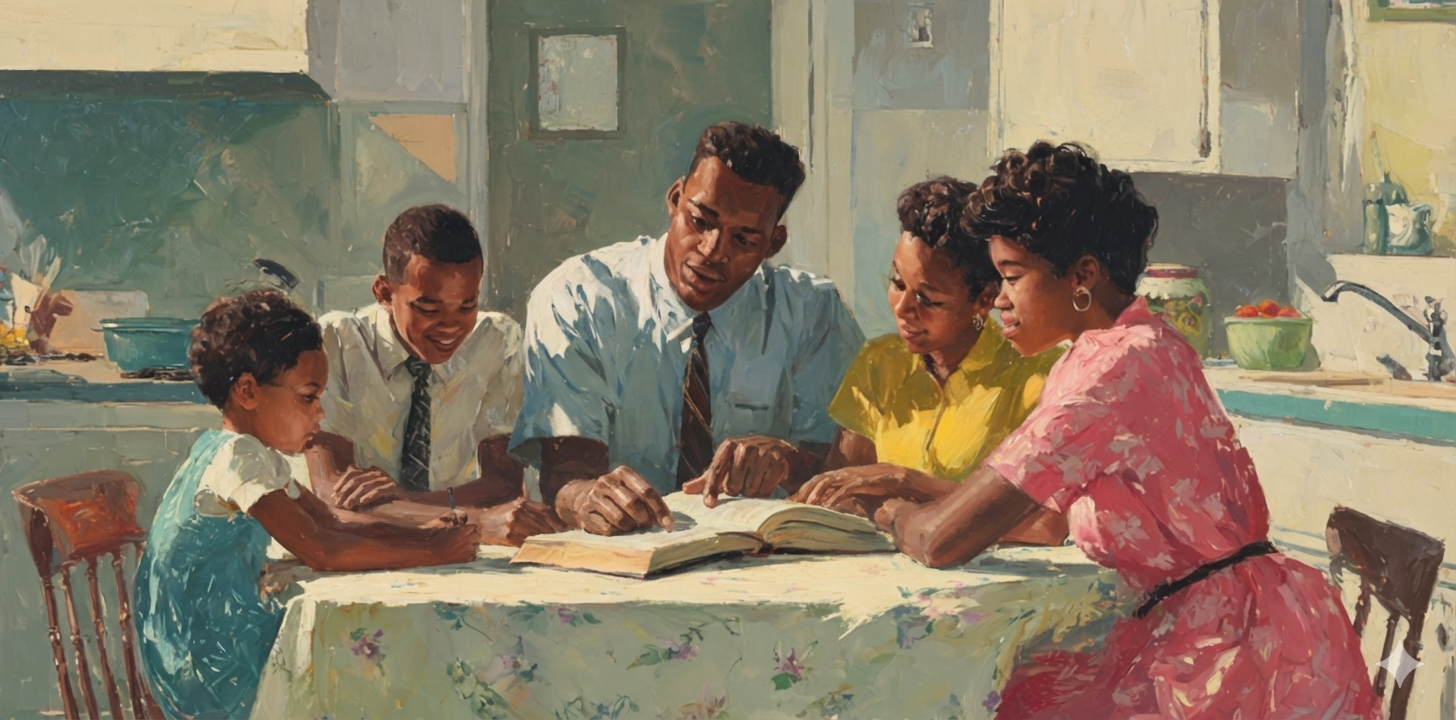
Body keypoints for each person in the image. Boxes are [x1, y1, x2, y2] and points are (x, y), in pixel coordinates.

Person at [795, 143, 1378, 718]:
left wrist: (886, 510)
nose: (996, 300)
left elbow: (943, 541)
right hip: (1234, 625)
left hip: (1236, 661)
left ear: (1082, 276)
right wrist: (911, 487)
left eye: (1011, 276)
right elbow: (1027, 514)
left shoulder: (1111, 371)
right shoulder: (1126, 346)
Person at [134, 290, 501, 719]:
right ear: (249, 391)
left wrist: (424, 529)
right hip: (210, 669)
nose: (321, 413)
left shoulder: (240, 452)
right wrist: (433, 551)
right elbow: (321, 547)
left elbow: (327, 518)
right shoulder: (238, 457)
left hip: (201, 651)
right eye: (309, 397)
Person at [510, 121, 866, 535]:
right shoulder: (577, 296)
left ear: (774, 243)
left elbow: (845, 469)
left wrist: (787, 459)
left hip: (759, 561)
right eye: (700, 220)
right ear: (676, 198)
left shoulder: (814, 312)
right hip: (622, 557)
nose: (713, 251)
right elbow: (567, 472)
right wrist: (588, 497)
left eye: (745, 240)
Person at [817, 177, 1067, 545]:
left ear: (984, 299)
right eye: (897, 283)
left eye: (928, 300)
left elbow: (1048, 526)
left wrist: (904, 484)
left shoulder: (1037, 378)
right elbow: (840, 493)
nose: (902, 310)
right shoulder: (878, 362)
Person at [312, 205, 556, 536]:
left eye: (467, 306)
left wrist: (404, 500)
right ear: (384, 292)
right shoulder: (336, 341)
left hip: (465, 547)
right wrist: (467, 514)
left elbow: (503, 486)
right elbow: (332, 493)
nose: (450, 326)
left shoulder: (498, 340)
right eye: (428, 308)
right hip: (368, 544)